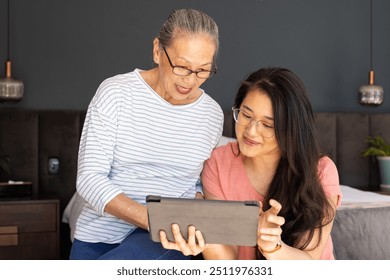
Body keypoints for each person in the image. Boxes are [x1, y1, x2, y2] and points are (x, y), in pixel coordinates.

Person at [69, 8, 224, 260]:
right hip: (100, 236)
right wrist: (152, 219)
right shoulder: (115, 93)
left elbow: (196, 184)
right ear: (156, 50)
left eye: (203, 70)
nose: (190, 81)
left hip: (165, 238)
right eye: (182, 66)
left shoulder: (211, 115)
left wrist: (196, 223)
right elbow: (89, 178)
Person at [160, 67, 342, 260]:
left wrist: (271, 246)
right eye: (246, 115)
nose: (251, 132)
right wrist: (207, 237)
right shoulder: (218, 163)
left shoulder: (321, 171)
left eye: (268, 125)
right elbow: (228, 261)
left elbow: (310, 262)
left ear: (290, 129)